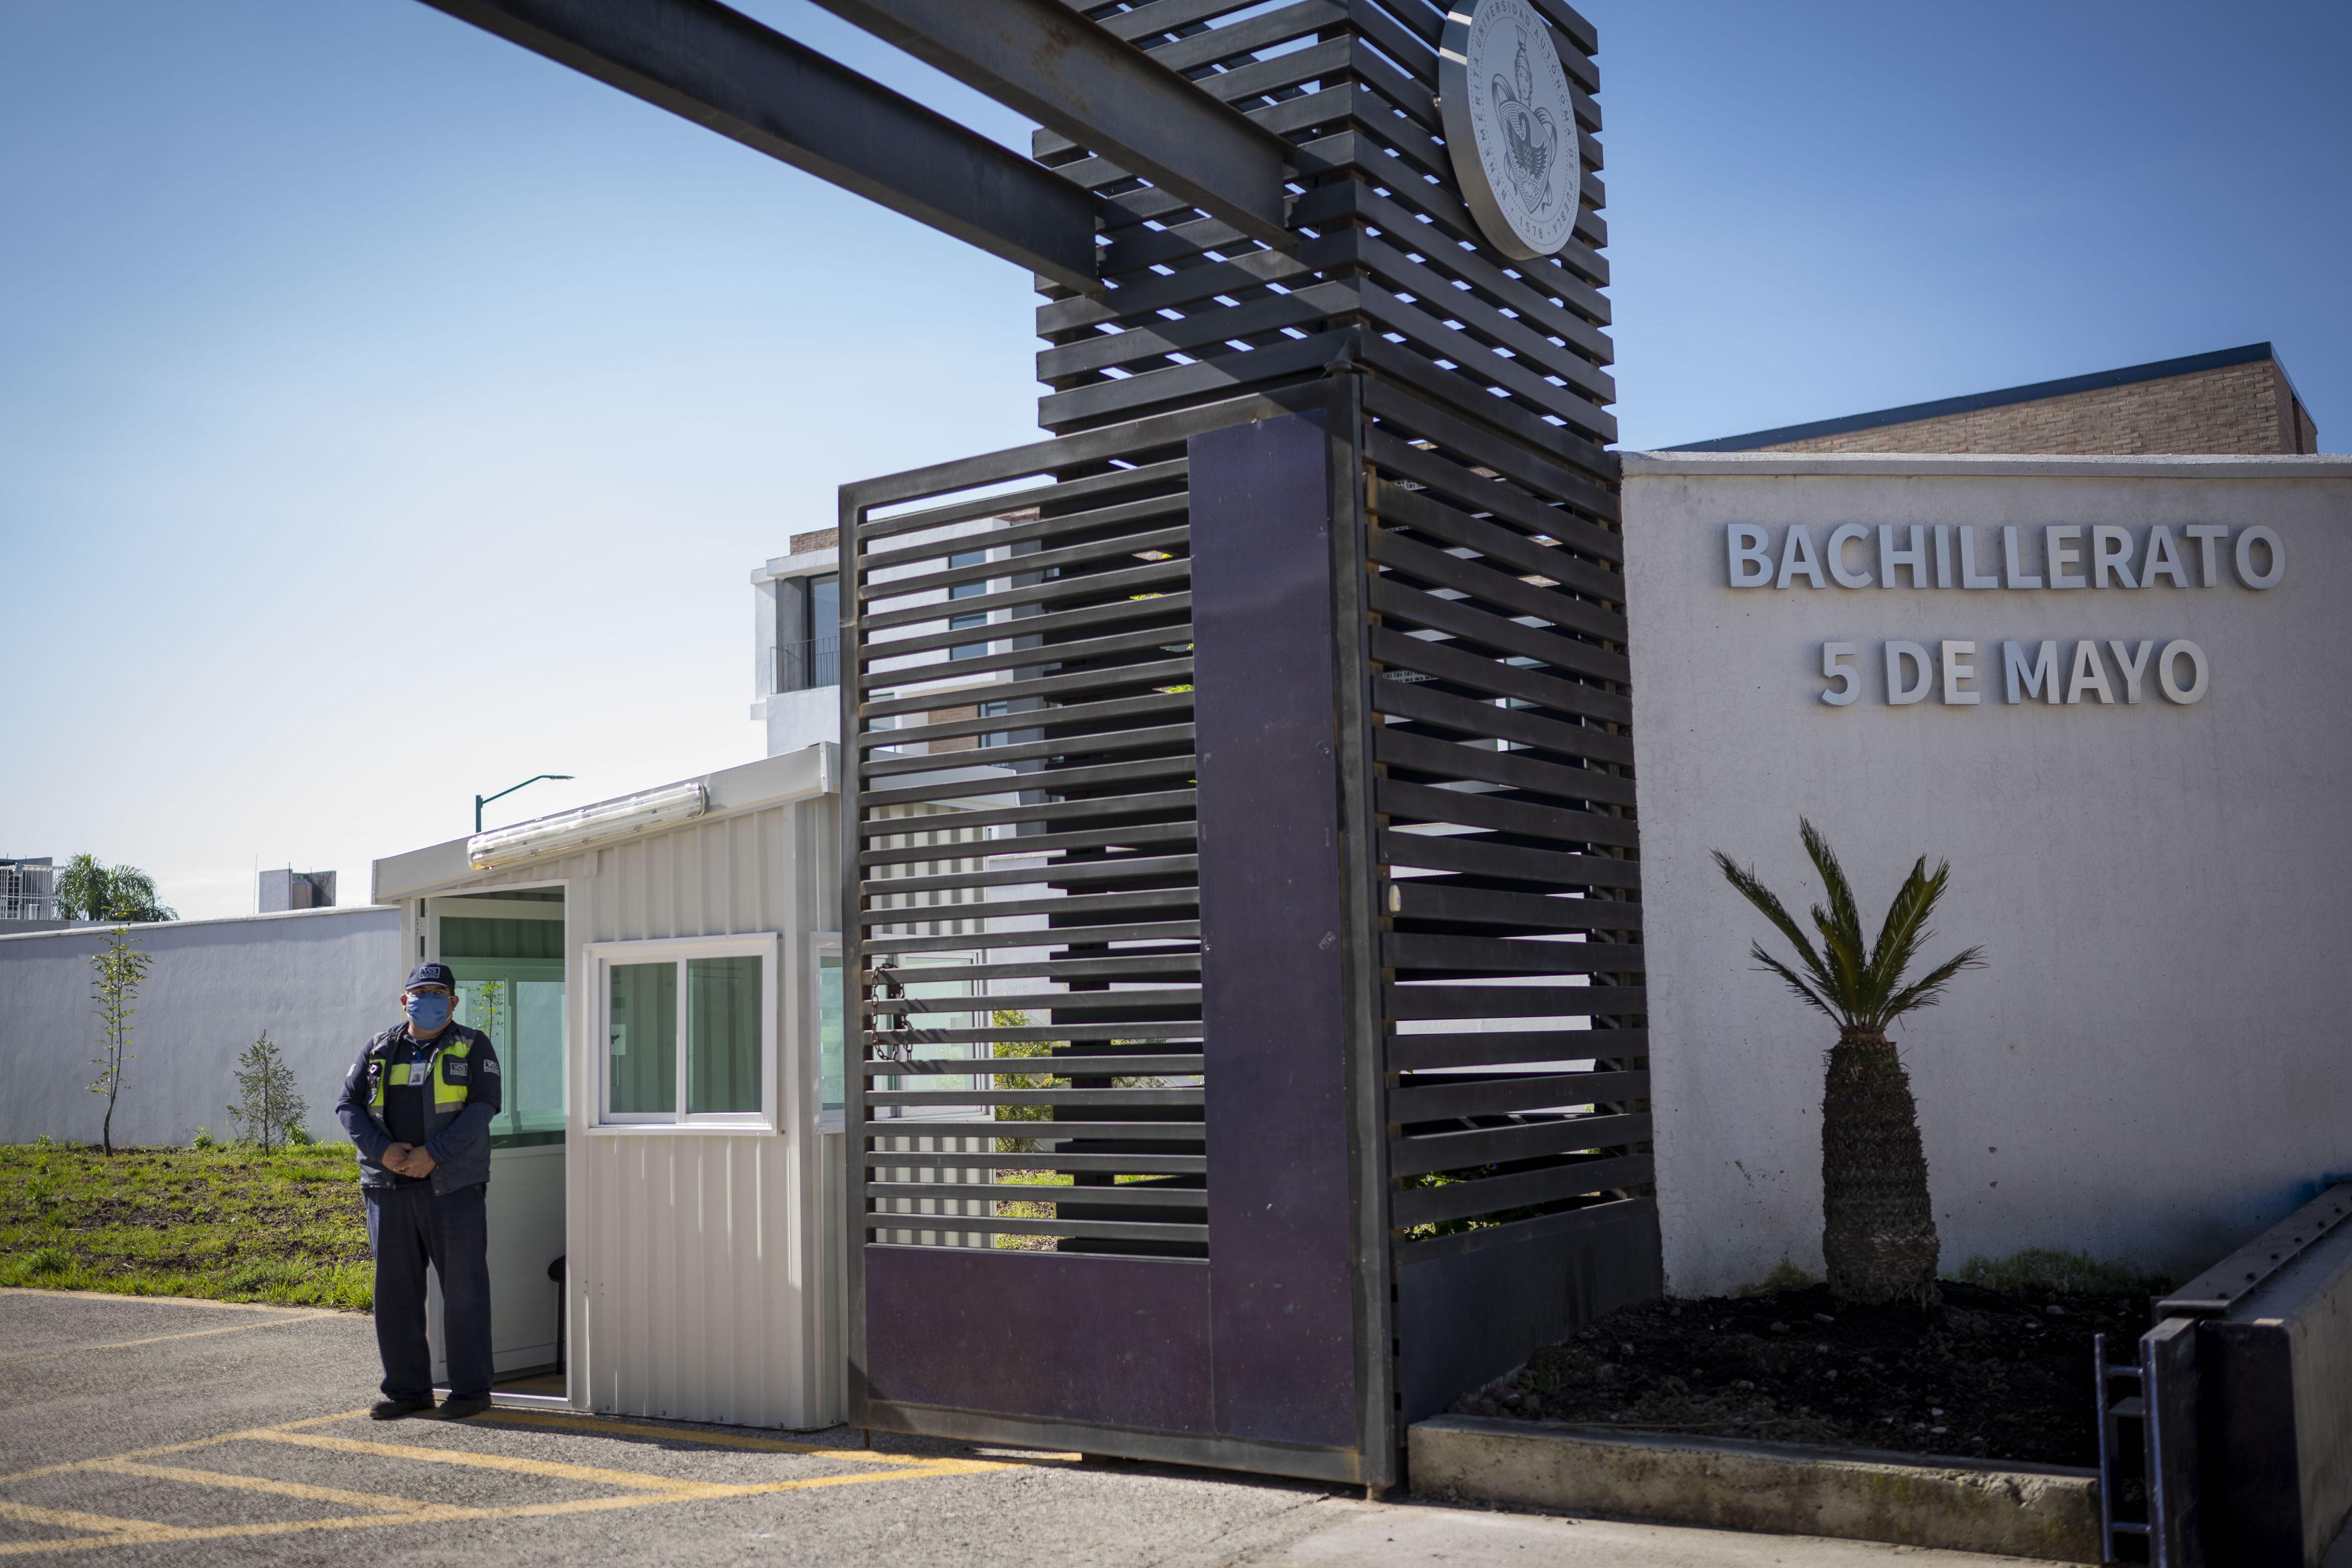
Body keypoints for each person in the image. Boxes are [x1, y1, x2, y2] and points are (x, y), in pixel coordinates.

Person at [335, 961, 502, 1420]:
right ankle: (408, 1391)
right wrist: (382, 1151)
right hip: (387, 1187)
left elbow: (484, 1106)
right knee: (395, 1293)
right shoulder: (379, 1046)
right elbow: (347, 1104)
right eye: (419, 992)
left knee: (464, 1290)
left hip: (452, 1186)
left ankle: (471, 1392)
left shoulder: (473, 1045)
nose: (427, 999)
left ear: (452, 1002)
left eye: (437, 993)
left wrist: (435, 1153)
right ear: (404, 1000)